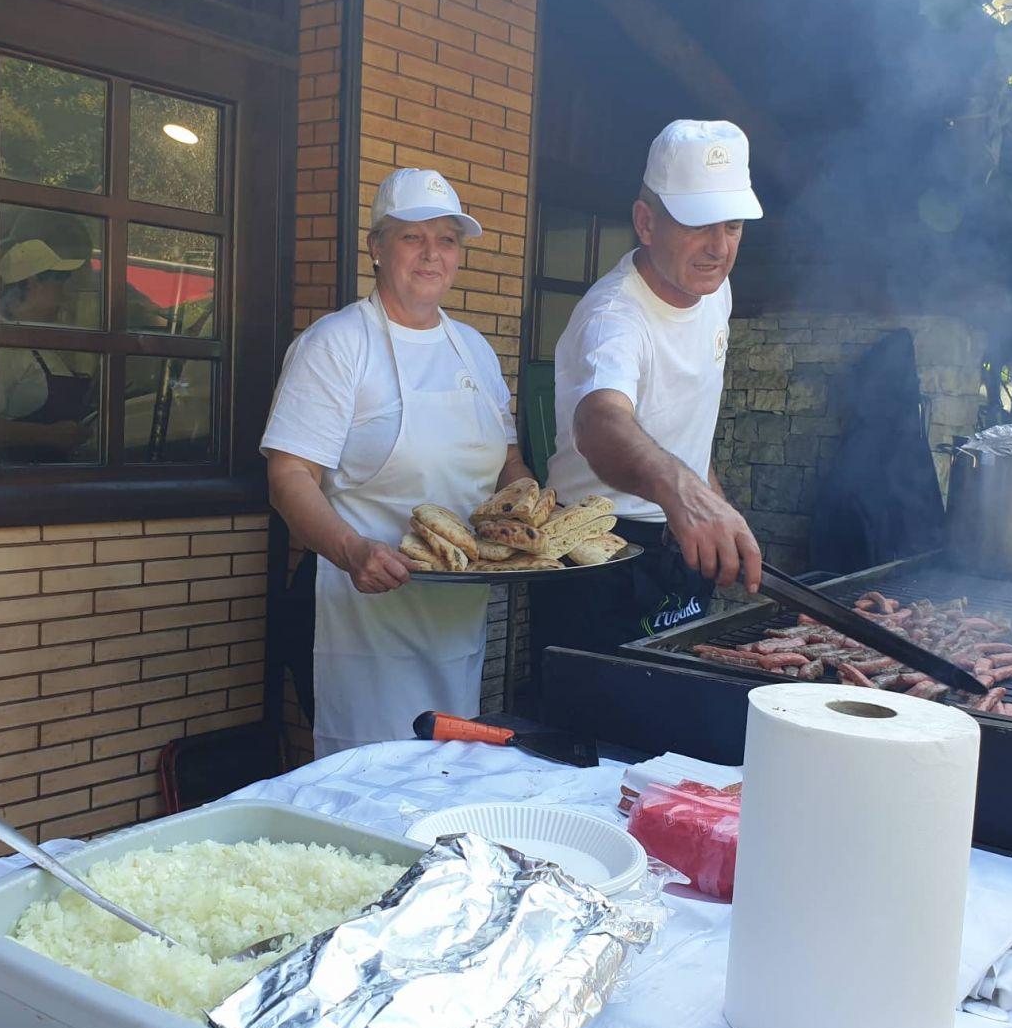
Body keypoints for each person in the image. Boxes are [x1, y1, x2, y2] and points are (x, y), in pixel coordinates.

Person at [262, 168, 532, 758]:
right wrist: (352, 550)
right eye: (413, 237)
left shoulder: (476, 350)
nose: (432, 254)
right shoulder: (335, 345)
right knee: (364, 779)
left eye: (448, 239)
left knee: (443, 770)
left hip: (454, 616)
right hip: (360, 612)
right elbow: (289, 477)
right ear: (377, 249)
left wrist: (533, 516)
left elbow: (508, 461)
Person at [533, 119, 764, 657]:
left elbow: (686, 420)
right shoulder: (613, 315)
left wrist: (715, 510)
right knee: (592, 731)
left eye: (732, 226)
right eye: (698, 223)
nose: (718, 246)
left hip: (676, 536)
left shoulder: (716, 290)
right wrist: (688, 497)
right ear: (645, 221)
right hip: (597, 550)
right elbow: (600, 422)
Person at [0, 208, 99, 464]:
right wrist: (47, 435)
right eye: (61, 280)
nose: (65, 293)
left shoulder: (37, 338)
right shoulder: (2, 343)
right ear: (32, 283)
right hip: (16, 483)